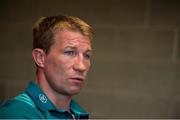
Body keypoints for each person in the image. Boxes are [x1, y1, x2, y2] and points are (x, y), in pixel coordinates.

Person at [0, 15, 93, 119]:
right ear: (40, 58)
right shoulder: (15, 114)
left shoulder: (78, 114)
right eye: (70, 52)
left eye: (87, 55)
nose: (81, 66)